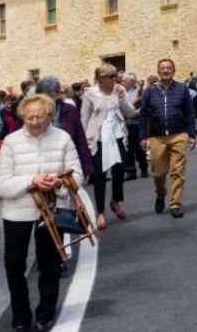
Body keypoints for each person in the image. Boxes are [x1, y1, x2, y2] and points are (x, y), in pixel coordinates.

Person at [0, 93, 80, 332]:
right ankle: (20, 317)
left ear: (50, 115)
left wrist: (58, 184)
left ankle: (46, 312)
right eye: (28, 117)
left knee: (50, 265)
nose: (33, 122)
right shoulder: (11, 141)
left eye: (39, 117)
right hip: (17, 212)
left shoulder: (62, 138)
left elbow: (77, 175)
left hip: (50, 211)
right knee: (14, 266)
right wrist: (31, 181)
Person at [138, 58, 197, 218]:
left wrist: (191, 135)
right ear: (158, 72)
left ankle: (175, 204)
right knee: (158, 174)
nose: (166, 70)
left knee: (178, 171)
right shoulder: (149, 91)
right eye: (163, 68)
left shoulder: (182, 89)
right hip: (157, 138)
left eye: (169, 68)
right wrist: (143, 136)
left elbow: (190, 113)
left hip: (179, 134)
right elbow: (143, 115)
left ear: (174, 70)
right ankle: (160, 193)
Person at [81, 64, 137, 230]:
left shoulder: (119, 90)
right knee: (100, 175)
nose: (115, 79)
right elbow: (83, 119)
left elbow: (130, 111)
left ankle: (116, 201)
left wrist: (121, 98)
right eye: (111, 77)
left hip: (117, 134)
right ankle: (100, 212)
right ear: (100, 79)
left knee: (120, 169)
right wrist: (83, 143)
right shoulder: (90, 94)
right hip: (98, 137)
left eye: (115, 76)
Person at [35, 77, 94, 182]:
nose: (48, 99)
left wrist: (86, 167)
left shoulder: (69, 110)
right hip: (39, 163)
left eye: (51, 95)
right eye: (45, 95)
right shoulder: (31, 111)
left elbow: (80, 138)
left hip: (66, 162)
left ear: (58, 94)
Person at [120, 72, 148, 179]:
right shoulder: (121, 92)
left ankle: (143, 167)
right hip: (125, 124)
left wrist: (136, 113)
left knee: (139, 148)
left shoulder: (141, 91)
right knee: (128, 148)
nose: (122, 82)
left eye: (124, 81)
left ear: (131, 81)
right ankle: (131, 171)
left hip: (137, 124)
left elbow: (145, 106)